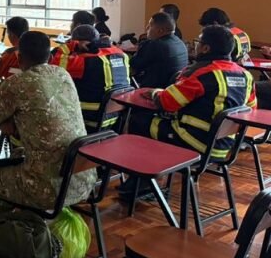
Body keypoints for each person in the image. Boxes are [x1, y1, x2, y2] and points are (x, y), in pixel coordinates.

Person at [0, 31, 96, 222]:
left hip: (45, 188)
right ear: (50, 56)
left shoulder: (18, 83)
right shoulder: (63, 75)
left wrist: (10, 122)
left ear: (19, 57)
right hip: (82, 180)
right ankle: (8, 226)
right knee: (16, 156)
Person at [129, 25, 256, 160]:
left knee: (138, 121)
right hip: (224, 146)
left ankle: (145, 176)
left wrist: (155, 93)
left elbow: (166, 103)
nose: (196, 46)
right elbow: (251, 110)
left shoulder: (201, 74)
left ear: (206, 48)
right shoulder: (246, 75)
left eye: (198, 42)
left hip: (194, 143)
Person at [51, 25, 130, 131]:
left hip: (90, 118)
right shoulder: (121, 55)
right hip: (116, 118)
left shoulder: (84, 62)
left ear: (79, 44)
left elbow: (55, 64)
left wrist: (70, 44)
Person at [130, 12, 188, 89]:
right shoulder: (180, 43)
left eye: (150, 26)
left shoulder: (155, 45)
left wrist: (143, 45)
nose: (147, 28)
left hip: (153, 91)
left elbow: (134, 65)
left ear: (160, 30)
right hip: (172, 89)